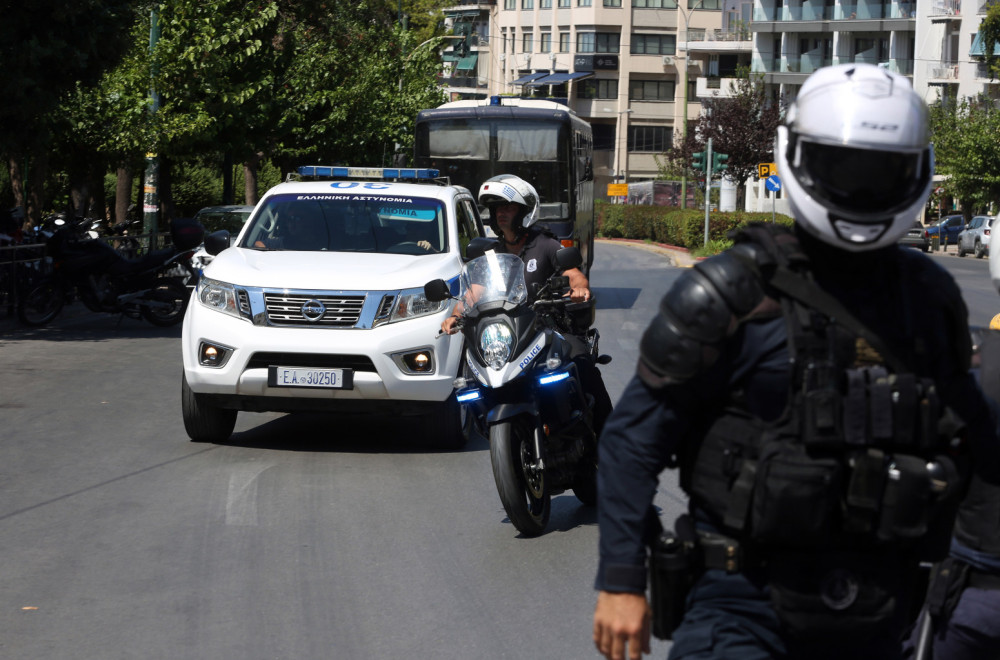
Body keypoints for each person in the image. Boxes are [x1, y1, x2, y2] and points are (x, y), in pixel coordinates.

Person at [592, 63, 999, 660]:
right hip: (742, 600)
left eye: (881, 173)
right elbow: (631, 441)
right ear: (798, 158)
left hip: (887, 607)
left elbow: (972, 447)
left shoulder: (928, 297)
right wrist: (621, 580)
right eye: (843, 168)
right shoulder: (729, 293)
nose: (861, 190)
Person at [441, 174, 613, 435]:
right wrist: (455, 314)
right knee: (470, 382)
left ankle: (610, 441)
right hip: (510, 332)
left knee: (581, 363)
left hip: (548, 326)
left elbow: (572, 272)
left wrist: (579, 287)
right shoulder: (492, 254)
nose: (501, 213)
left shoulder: (544, 244)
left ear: (524, 211)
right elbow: (474, 293)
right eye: (497, 208)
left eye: (508, 207)